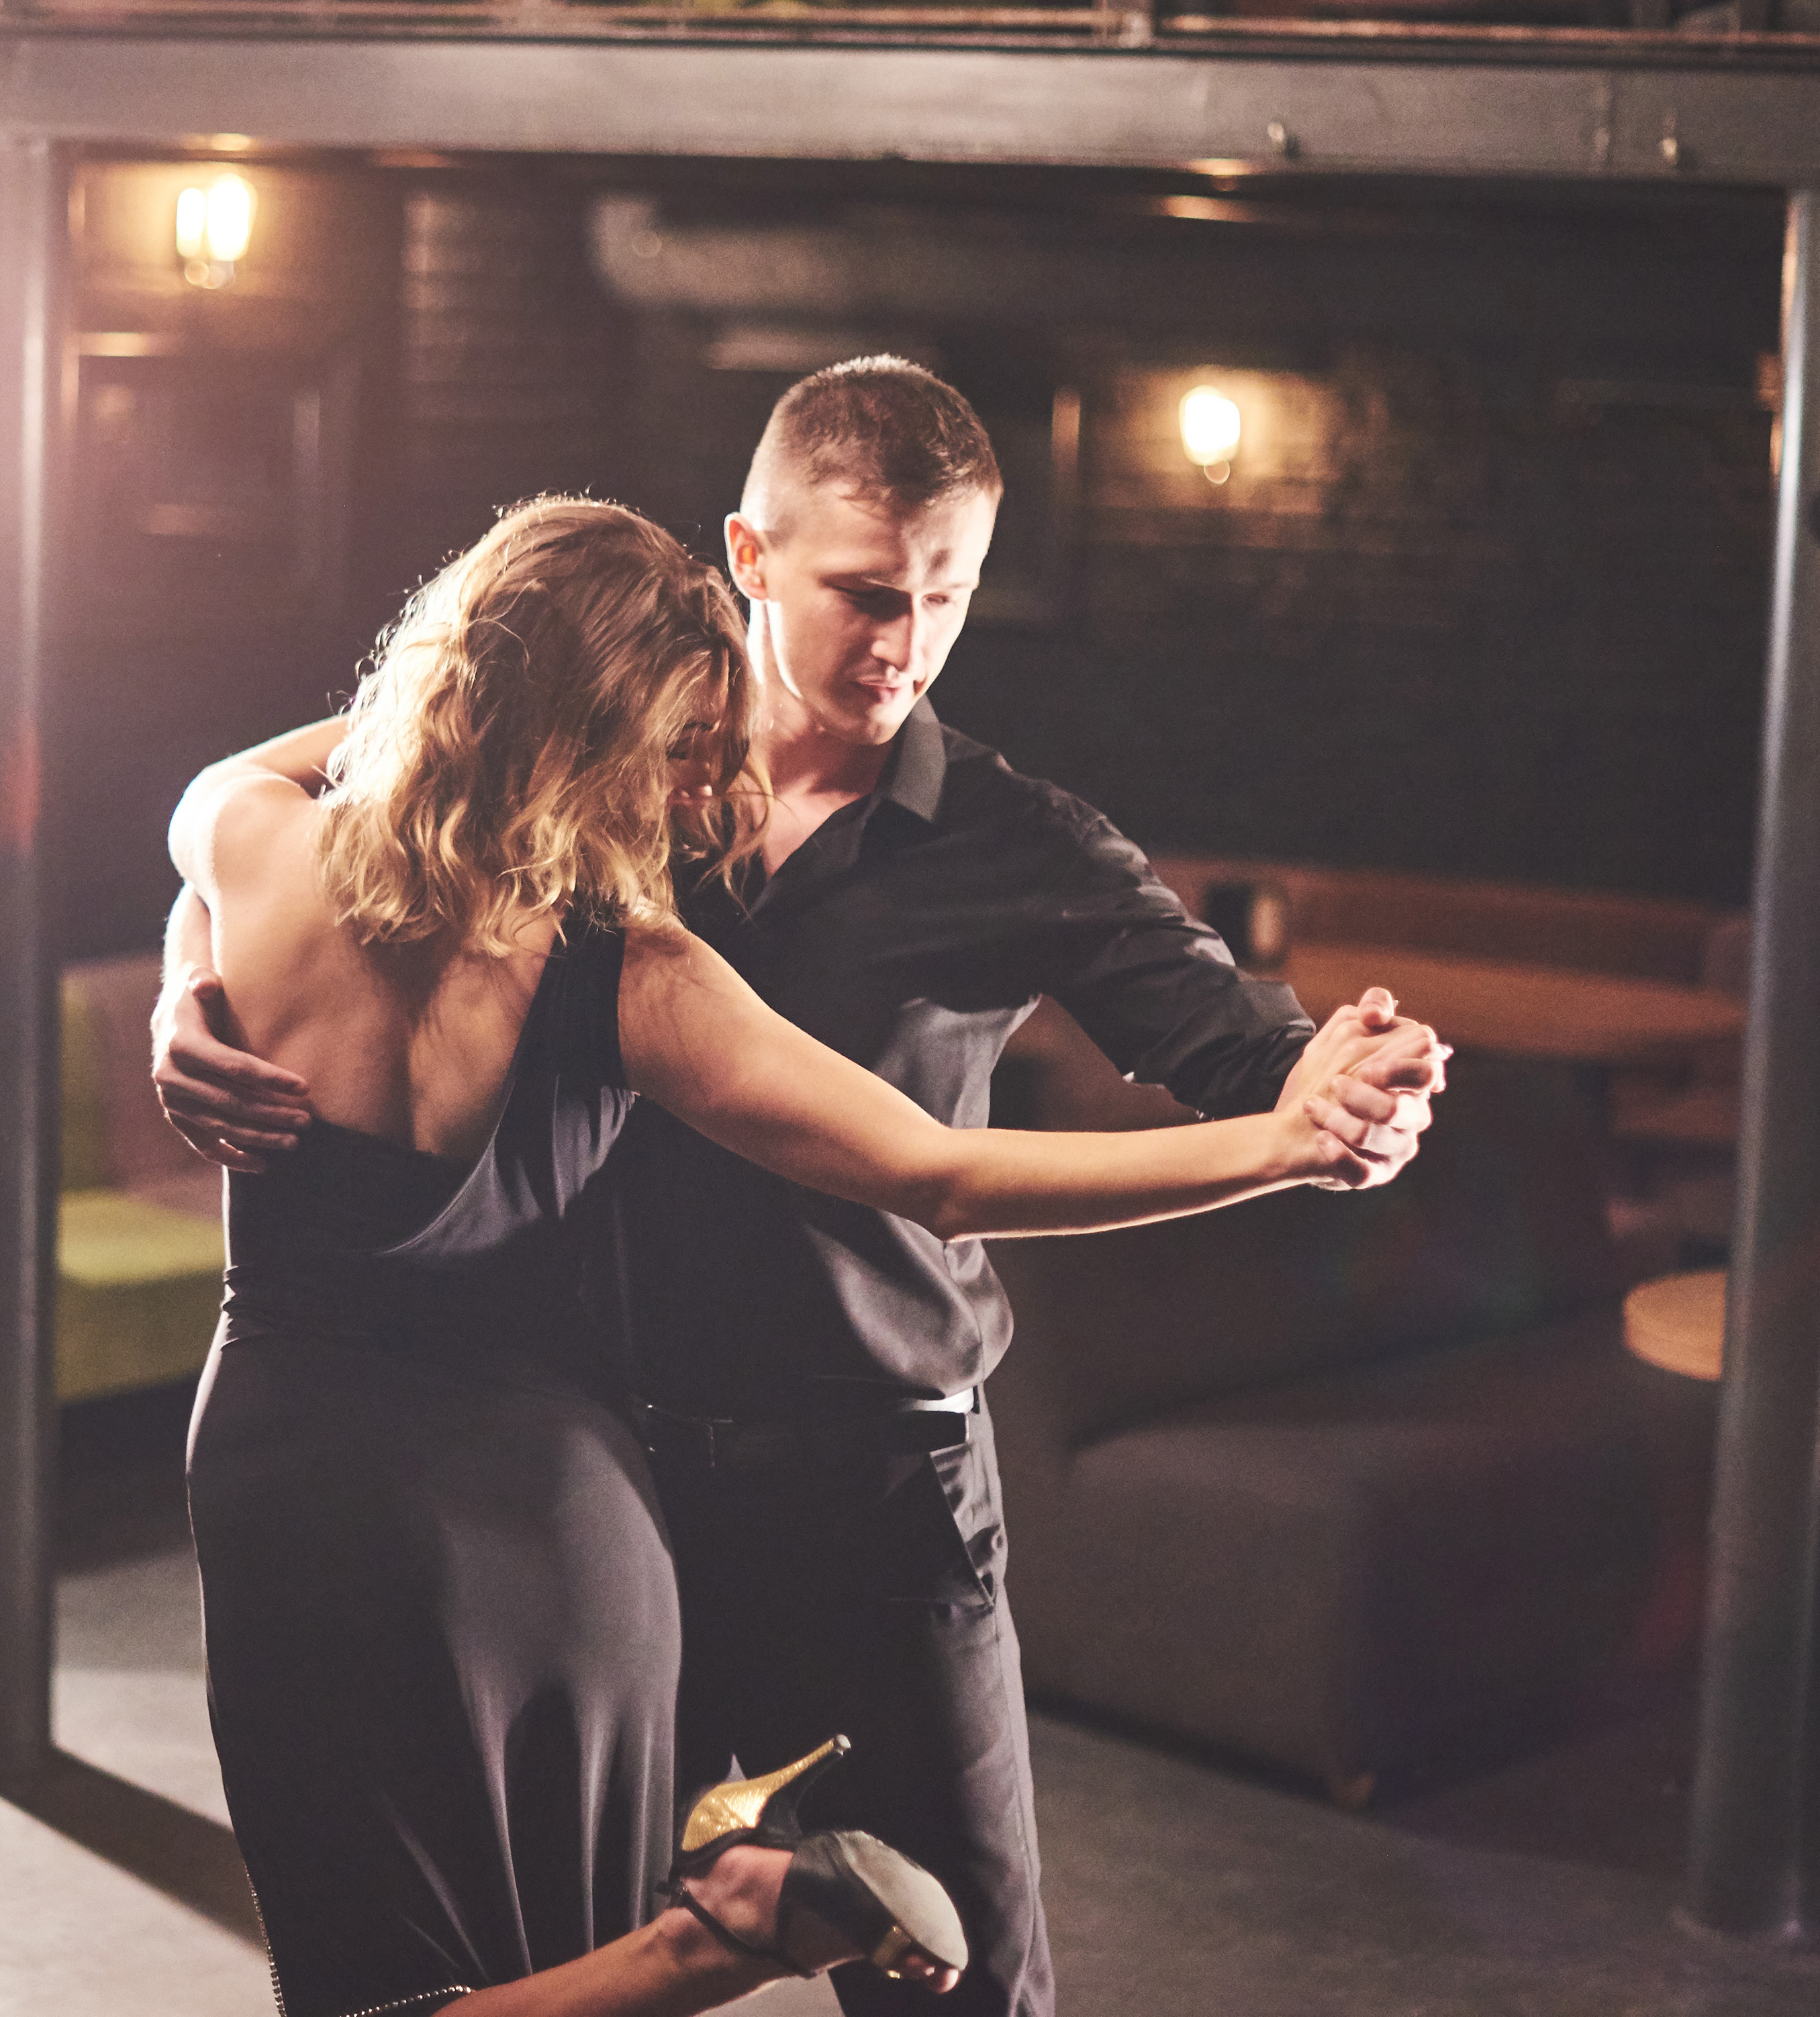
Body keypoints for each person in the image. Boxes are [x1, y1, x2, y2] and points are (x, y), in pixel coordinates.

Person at [163, 376, 1445, 2017]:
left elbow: (1182, 1074)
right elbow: (301, 795)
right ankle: (731, 1926)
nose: (905, 640)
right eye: (865, 591)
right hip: (608, 1460)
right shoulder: (624, 786)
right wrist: (182, 995)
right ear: (751, 559)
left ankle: (740, 1925)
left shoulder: (1012, 843)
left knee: (948, 1985)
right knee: (554, 1957)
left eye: (948, 596)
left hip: (865, 1482)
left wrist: (1324, 1096)